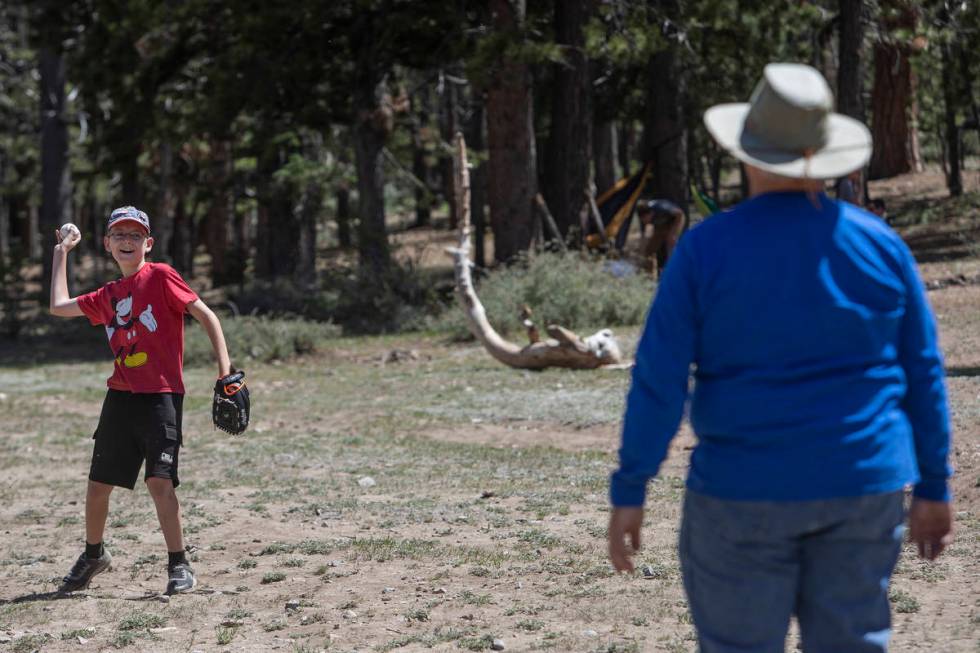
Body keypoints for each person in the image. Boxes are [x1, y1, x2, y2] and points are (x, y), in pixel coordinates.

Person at [608, 63, 953, 653]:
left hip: (739, 492)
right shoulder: (880, 248)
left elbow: (659, 381)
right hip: (861, 488)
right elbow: (922, 374)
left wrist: (631, 489)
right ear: (822, 153)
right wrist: (933, 486)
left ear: (746, 151)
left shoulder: (704, 250)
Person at [50, 206, 235, 595]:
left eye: (136, 236)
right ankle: (93, 555)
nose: (127, 241)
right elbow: (57, 306)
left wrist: (225, 373)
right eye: (120, 235)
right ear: (107, 244)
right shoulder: (108, 295)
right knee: (98, 485)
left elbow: (207, 317)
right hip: (120, 397)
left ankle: (179, 563)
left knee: (159, 482)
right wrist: (61, 253)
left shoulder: (162, 276)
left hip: (162, 395)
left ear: (148, 243)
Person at [636, 198, 684, 275]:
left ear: (650, 213)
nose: (646, 222)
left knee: (670, 243)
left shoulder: (661, 208)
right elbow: (644, 236)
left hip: (675, 222)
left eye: (646, 219)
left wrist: (672, 233)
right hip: (661, 226)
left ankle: (675, 271)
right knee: (651, 248)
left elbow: (679, 214)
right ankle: (654, 272)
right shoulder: (643, 216)